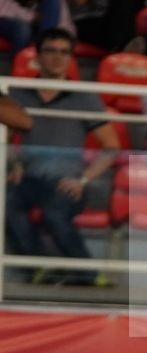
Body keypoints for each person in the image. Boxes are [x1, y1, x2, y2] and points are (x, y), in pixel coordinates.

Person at [3, 29, 119, 287]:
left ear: (71, 58)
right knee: (5, 203)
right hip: (29, 179)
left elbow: (111, 147)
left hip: (66, 182)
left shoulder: (85, 97)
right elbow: (6, 139)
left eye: (64, 52)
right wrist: (14, 163)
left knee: (54, 213)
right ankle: (38, 268)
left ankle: (89, 276)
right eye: (51, 51)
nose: (57, 58)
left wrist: (84, 180)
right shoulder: (19, 94)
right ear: (38, 56)